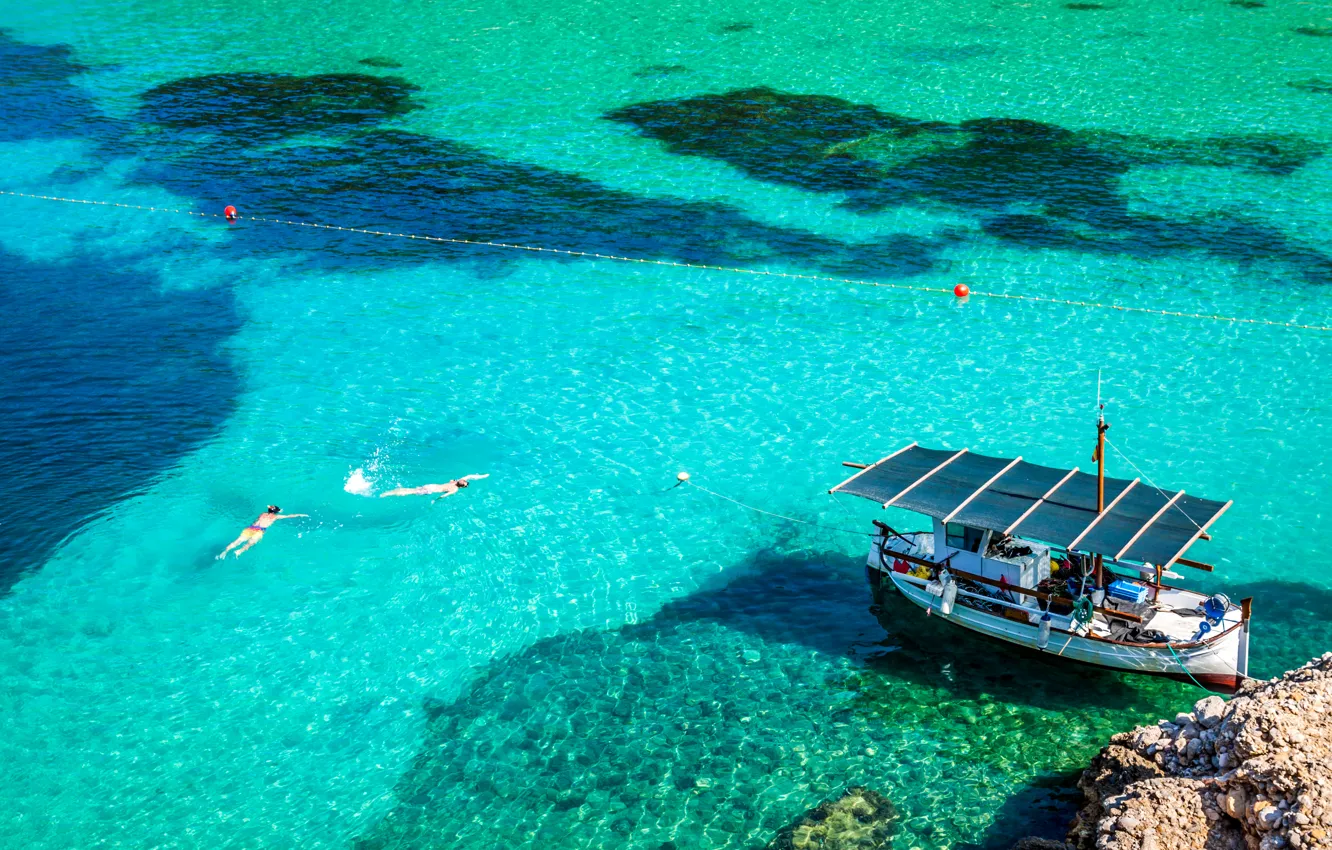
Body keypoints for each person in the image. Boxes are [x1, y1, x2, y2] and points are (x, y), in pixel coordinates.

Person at [216, 505, 309, 559]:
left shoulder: (262, 514)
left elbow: (256, 521)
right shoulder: (276, 517)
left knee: (237, 541)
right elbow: (290, 516)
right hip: (259, 531)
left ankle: (224, 552)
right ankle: (239, 551)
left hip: (251, 528)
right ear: (276, 512)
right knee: (249, 544)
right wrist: (300, 515)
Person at [379, 474, 488, 499]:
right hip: (430, 487)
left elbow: (444, 496)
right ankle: (389, 493)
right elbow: (469, 475)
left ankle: (388, 493)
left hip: (430, 489)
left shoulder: (454, 488)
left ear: (462, 486)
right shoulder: (454, 482)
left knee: (410, 491)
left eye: (464, 482)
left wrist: (435, 500)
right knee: (410, 490)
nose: (463, 480)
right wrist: (482, 476)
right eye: (464, 480)